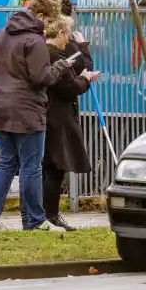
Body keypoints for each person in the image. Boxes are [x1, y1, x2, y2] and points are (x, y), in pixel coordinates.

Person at [0, 0, 72, 232]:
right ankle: (36, 220)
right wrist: (61, 66)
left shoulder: (2, 34)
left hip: (2, 106)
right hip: (29, 111)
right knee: (31, 166)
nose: (49, 26)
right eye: (49, 20)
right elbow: (43, 77)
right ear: (40, 15)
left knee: (6, 165)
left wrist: (6, 86)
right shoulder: (35, 40)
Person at [43, 14, 101, 231]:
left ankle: (43, 215)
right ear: (59, 33)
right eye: (67, 34)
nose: (68, 40)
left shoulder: (43, 52)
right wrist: (85, 78)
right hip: (57, 116)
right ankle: (50, 215)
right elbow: (69, 88)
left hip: (48, 114)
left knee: (47, 167)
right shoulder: (55, 56)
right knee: (55, 169)